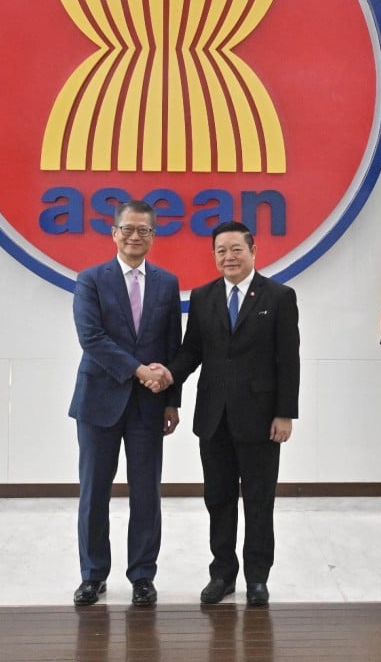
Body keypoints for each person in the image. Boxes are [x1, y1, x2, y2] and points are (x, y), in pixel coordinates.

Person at [150, 220, 299, 606]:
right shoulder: (203, 297)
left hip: (262, 419)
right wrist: (169, 379)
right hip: (213, 418)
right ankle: (222, 574)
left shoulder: (279, 296)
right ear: (214, 256)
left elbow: (288, 360)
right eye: (221, 251)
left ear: (253, 251)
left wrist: (285, 414)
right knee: (218, 499)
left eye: (236, 249)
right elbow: (191, 352)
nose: (229, 257)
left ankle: (257, 578)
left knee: (259, 500)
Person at [68, 200, 181, 606]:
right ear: (114, 233)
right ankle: (93, 575)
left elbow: (172, 345)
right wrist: (138, 370)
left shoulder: (167, 283)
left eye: (143, 230)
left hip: (149, 405)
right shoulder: (90, 279)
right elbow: (91, 338)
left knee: (147, 493)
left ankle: (142, 576)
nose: (135, 236)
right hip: (98, 400)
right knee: (94, 492)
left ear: (153, 236)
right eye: (127, 229)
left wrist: (171, 401)